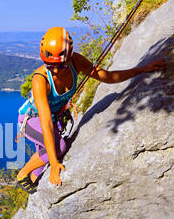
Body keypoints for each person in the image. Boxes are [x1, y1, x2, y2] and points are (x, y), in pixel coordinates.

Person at [16, 27, 165, 193]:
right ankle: (22, 174)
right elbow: (46, 124)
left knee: (47, 154)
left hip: (54, 118)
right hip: (32, 120)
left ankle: (35, 181)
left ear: (69, 57)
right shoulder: (40, 80)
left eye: (60, 66)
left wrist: (141, 69)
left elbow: (106, 77)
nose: (56, 70)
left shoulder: (76, 62)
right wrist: (54, 164)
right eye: (50, 66)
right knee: (58, 148)